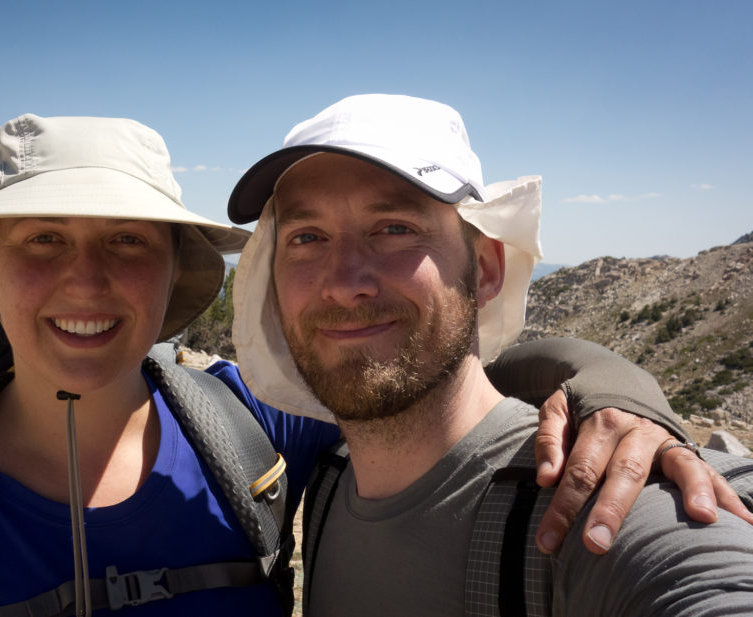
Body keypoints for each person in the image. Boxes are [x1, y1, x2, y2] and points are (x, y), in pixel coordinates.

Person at [0, 113, 740, 617]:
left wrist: (618, 397)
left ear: (172, 276)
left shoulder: (257, 434)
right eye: (39, 240)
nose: (86, 277)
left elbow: (440, 375)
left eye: (126, 240)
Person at [226, 93, 753, 615]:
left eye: (395, 229)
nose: (342, 284)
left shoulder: (598, 503)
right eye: (307, 236)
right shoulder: (325, 483)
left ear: (486, 268)